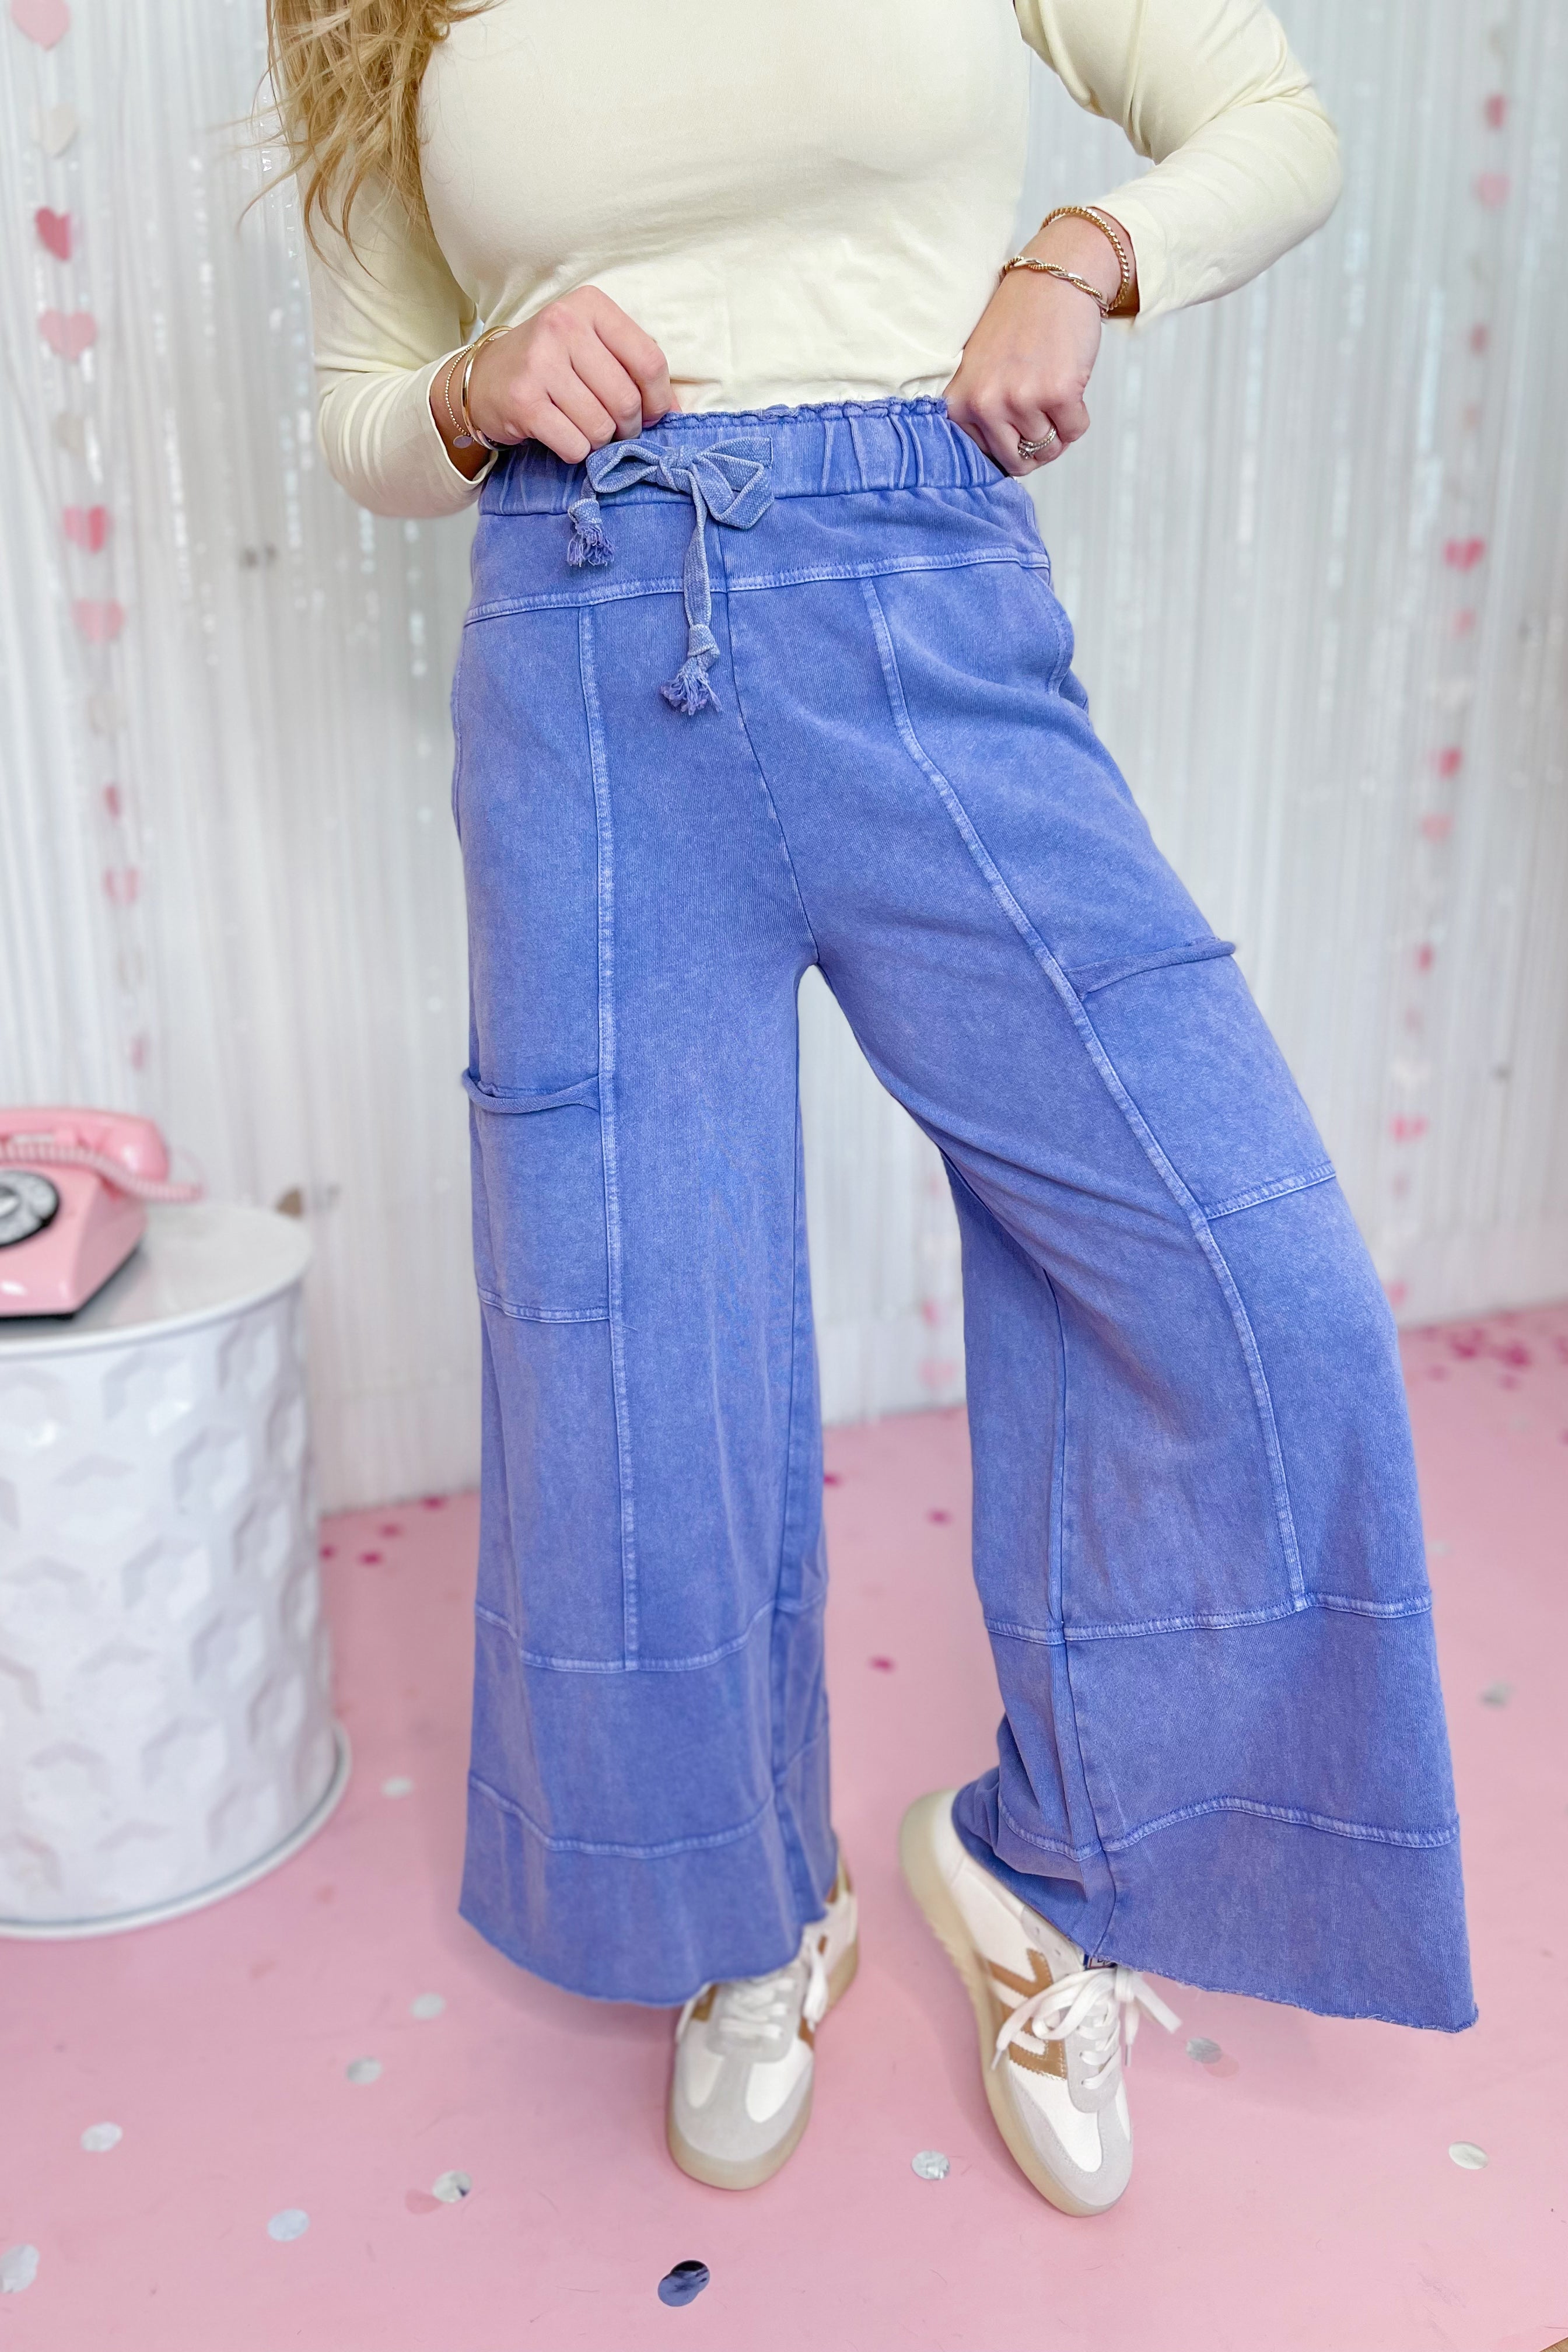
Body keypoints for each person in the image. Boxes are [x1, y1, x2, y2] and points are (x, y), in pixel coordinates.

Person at [272, 0, 1475, 2218]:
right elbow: (364, 399)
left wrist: (1080, 253)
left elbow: (1271, 118)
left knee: (1244, 1277)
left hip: (930, 618)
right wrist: (470, 389)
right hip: (586, 650)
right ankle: (751, 1907)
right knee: (634, 1361)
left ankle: (1048, 1870)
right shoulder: (377, 12)